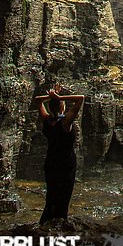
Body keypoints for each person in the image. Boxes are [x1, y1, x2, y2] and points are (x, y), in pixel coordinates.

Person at [34, 82, 84, 224]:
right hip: (65, 165)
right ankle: (60, 224)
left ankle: (45, 223)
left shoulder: (47, 120)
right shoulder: (65, 123)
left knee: (51, 196)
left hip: (51, 163)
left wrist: (52, 97)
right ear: (62, 106)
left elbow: (38, 100)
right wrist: (59, 96)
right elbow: (80, 98)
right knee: (63, 197)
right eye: (62, 103)